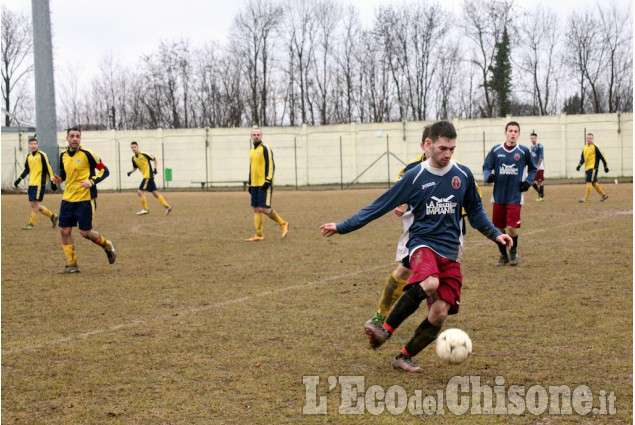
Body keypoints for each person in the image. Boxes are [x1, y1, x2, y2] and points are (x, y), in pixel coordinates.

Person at [320, 121, 512, 373]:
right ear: (428, 145)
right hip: (422, 244)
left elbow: (475, 212)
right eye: (443, 148)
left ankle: (404, 356)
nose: (448, 154)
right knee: (430, 282)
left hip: (451, 250)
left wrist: (496, 235)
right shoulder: (414, 176)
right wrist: (343, 226)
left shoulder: (462, 175)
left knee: (440, 313)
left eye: (452, 149)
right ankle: (384, 330)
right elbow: (379, 206)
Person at [51, 127, 116, 274]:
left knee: (85, 232)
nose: (75, 139)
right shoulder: (63, 156)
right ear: (67, 138)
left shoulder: (88, 154)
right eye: (72, 136)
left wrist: (91, 182)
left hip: (84, 199)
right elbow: (63, 173)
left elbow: (104, 170)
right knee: (64, 230)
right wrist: (58, 179)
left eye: (77, 136)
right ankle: (72, 265)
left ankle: (107, 245)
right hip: (68, 199)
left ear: (80, 139)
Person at [482, 121, 537, 267]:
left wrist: (528, 182)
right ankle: (503, 255)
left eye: (515, 131)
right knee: (499, 229)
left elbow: (533, 169)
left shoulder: (523, 151)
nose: (512, 133)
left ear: (518, 134)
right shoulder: (496, 150)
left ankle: (513, 252)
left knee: (512, 227)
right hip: (498, 196)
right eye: (510, 131)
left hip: (515, 196)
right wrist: (489, 176)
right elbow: (486, 167)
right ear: (505, 133)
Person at [245, 127, 289, 241]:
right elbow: (252, 168)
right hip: (254, 184)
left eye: (258, 134)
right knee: (256, 209)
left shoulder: (266, 148)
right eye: (254, 134)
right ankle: (259, 235)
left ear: (261, 136)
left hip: (264, 183)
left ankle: (283, 224)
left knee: (263, 208)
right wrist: (250, 183)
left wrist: (268, 180)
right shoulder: (251, 150)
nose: (256, 136)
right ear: (251, 136)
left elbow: (271, 165)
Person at [13, 135, 59, 230]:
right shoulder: (29, 156)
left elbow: (48, 168)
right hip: (32, 183)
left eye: (35, 144)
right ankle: (52, 216)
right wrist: (19, 179)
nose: (33, 145)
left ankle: (31, 224)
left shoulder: (42, 155)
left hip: (39, 183)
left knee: (34, 204)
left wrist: (52, 181)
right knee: (34, 204)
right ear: (29, 145)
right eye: (31, 144)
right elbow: (26, 169)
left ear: (37, 145)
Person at [126, 141, 172, 215]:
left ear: (138, 147)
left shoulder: (144, 154)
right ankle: (168, 207)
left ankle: (145, 209)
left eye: (135, 147)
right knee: (155, 193)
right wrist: (130, 172)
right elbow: (135, 167)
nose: (133, 149)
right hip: (147, 177)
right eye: (132, 148)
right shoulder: (134, 158)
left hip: (148, 176)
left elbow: (155, 159)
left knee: (140, 192)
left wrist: (155, 169)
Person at [576, 133, 609, 203]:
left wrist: (605, 166)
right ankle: (604, 195)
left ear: (592, 139)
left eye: (590, 138)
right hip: (587, 168)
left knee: (589, 181)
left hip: (593, 168)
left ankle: (585, 198)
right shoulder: (584, 147)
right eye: (587, 138)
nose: (588, 139)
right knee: (593, 182)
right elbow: (583, 158)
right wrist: (579, 165)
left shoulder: (595, 147)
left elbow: (602, 156)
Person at [529, 131, 545, 201]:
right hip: (534, 167)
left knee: (540, 181)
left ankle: (541, 197)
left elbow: (541, 157)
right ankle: (540, 193)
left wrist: (538, 166)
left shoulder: (540, 146)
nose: (533, 139)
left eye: (534, 138)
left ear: (536, 138)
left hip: (539, 167)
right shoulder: (532, 146)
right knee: (531, 181)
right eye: (532, 138)